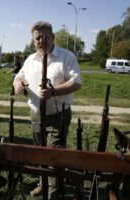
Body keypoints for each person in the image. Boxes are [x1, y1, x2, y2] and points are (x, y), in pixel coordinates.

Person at [13, 21, 81, 199]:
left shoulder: (66, 57)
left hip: (58, 114)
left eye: (44, 37)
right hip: (36, 114)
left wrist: (53, 92)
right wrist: (18, 83)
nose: (40, 41)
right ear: (33, 40)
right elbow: (18, 76)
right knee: (39, 151)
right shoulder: (30, 59)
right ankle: (42, 183)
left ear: (53, 38)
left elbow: (76, 82)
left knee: (53, 155)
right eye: (37, 38)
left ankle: (52, 193)